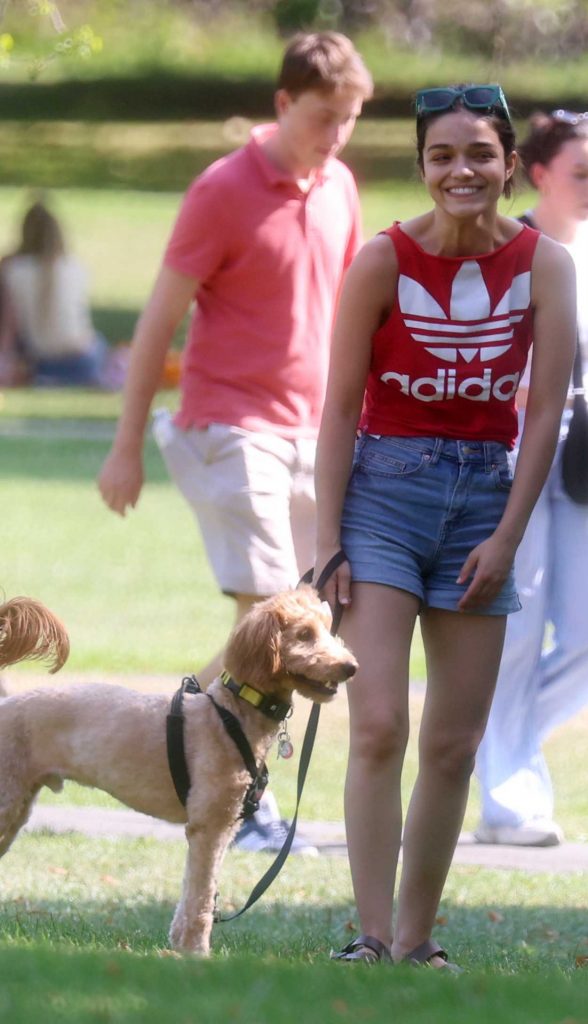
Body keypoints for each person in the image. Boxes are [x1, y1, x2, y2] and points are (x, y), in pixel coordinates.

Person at [313, 84, 576, 967]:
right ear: (422, 167)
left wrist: (506, 536)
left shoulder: (546, 264)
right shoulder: (381, 262)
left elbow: (543, 415)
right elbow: (340, 406)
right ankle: (371, 933)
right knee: (379, 722)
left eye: (478, 154)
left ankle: (417, 941)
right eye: (441, 155)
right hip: (382, 496)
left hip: (483, 504)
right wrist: (327, 545)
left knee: (454, 745)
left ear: (509, 165)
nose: (460, 170)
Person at [97, 32, 373, 854]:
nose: (337, 135)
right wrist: (124, 446)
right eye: (325, 117)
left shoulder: (341, 186)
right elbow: (157, 322)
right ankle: (242, 802)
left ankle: (182, 747)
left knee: (307, 618)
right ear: (284, 103)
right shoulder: (222, 189)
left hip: (309, 429)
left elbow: (354, 314)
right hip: (225, 425)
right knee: (266, 618)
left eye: (352, 119)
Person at [475, 110, 588, 847]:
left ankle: (500, 744)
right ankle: (509, 796)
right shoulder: (509, 249)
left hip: (582, 458)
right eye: (582, 173)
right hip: (516, 451)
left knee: (583, 634)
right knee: (515, 631)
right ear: (539, 173)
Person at [0, 200, 111, 388]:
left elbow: (9, 327)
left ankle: (43, 377)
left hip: (42, 362)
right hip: (84, 361)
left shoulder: (13, 270)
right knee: (98, 341)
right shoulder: (75, 267)